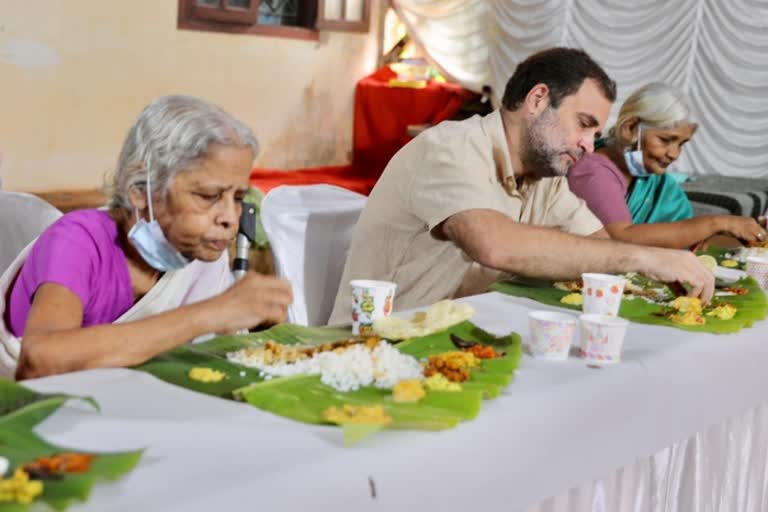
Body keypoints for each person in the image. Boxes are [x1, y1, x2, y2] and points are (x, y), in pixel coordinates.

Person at [328, 48, 714, 324]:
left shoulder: (546, 175)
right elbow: (493, 245)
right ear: (537, 99)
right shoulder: (449, 147)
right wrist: (641, 257)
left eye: (595, 131)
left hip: (459, 341)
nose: (587, 143)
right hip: (374, 345)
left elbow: (602, 248)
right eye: (583, 123)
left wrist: (658, 264)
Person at [2, 95, 293, 380]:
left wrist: (259, 322)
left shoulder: (200, 256)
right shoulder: (77, 241)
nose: (230, 217)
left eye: (238, 197)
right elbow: (41, 359)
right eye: (208, 196)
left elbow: (207, 357)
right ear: (140, 189)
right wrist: (210, 314)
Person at [568, 82, 766, 248]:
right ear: (630, 128)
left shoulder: (655, 182)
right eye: (665, 140)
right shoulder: (592, 171)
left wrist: (750, 231)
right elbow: (621, 237)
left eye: (681, 144)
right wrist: (716, 222)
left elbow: (690, 240)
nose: (674, 154)